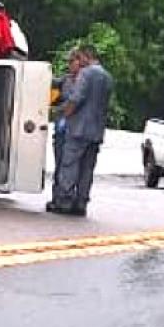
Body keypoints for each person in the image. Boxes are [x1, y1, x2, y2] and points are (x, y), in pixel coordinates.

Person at [47, 45, 112, 217]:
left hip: (78, 129)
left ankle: (65, 201)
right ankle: (81, 202)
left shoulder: (86, 73)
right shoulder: (106, 76)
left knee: (69, 165)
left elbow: (76, 98)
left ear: (85, 56)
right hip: (96, 131)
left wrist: (65, 115)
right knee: (87, 168)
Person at [49, 52, 82, 190]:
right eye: (68, 62)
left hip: (76, 129)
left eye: (71, 61)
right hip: (61, 128)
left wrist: (61, 109)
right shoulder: (65, 80)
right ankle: (57, 194)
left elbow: (76, 103)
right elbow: (51, 84)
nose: (69, 65)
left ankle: (68, 194)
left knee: (71, 165)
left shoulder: (84, 82)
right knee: (59, 161)